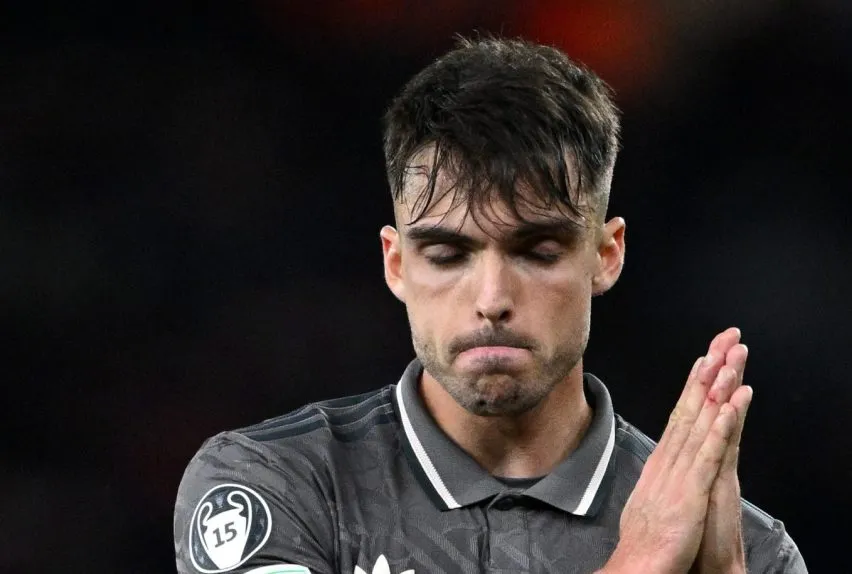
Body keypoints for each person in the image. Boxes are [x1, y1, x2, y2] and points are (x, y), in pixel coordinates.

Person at [174, 36, 806, 574]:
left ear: (606, 255)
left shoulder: (742, 551)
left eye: (537, 250)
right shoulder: (274, 486)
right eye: (448, 254)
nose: (493, 300)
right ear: (396, 264)